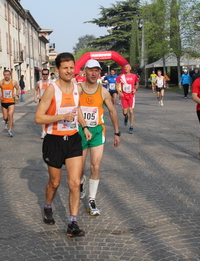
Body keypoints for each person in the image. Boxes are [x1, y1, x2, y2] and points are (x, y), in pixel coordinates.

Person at [35, 52, 91, 237]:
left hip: (73, 138)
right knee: (55, 182)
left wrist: (84, 127)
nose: (69, 71)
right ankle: (48, 205)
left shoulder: (77, 87)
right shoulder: (51, 89)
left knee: (75, 183)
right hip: (54, 140)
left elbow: (78, 109)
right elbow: (38, 117)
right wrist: (61, 117)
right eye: (64, 68)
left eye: (71, 67)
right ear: (57, 69)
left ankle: (72, 223)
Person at [77, 60, 121, 216]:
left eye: (97, 70)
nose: (94, 73)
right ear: (84, 71)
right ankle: (81, 181)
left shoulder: (103, 91)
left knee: (95, 166)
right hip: (80, 131)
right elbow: (74, 108)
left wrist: (117, 132)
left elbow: (112, 111)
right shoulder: (78, 89)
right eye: (91, 70)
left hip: (97, 131)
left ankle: (92, 199)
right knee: (80, 168)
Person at [0, 70, 20, 137]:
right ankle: (6, 121)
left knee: (10, 115)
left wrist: (17, 95)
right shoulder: (1, 82)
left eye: (8, 74)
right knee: (5, 117)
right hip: (4, 102)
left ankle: (10, 130)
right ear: (3, 75)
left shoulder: (13, 82)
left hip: (11, 101)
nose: (6, 76)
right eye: (5, 75)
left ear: (10, 75)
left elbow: (18, 88)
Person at [117, 63, 140, 134]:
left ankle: (131, 126)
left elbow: (137, 83)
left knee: (131, 111)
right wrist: (119, 92)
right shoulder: (121, 76)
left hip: (131, 95)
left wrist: (135, 89)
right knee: (125, 112)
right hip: (124, 96)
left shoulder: (134, 76)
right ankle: (126, 117)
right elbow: (117, 85)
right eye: (125, 67)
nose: (126, 68)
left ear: (130, 68)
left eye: (127, 67)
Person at [34, 69, 52, 139]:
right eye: (43, 74)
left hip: (50, 100)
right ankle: (44, 132)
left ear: (48, 74)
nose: (45, 76)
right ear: (42, 75)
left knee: (50, 116)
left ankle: (49, 130)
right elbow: (36, 89)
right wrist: (35, 97)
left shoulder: (51, 82)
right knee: (42, 116)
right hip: (42, 101)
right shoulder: (39, 83)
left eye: (46, 74)